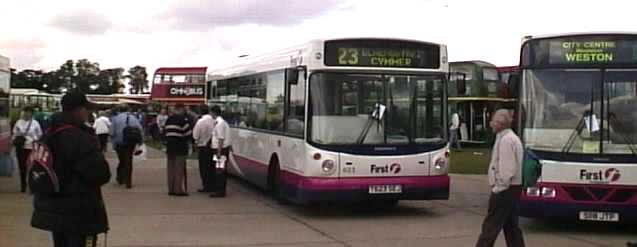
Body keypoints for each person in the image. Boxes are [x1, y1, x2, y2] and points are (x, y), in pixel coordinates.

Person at [31, 92, 111, 247]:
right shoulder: (81, 138)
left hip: (54, 210)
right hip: (80, 211)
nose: (88, 113)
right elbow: (99, 174)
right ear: (78, 110)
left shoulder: (48, 134)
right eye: (86, 109)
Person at [476, 109, 525, 247]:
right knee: (511, 227)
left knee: (490, 226)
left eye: (493, 121)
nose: (490, 124)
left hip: (506, 189)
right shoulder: (507, 137)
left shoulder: (506, 140)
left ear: (500, 123)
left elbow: (507, 169)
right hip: (513, 188)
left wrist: (498, 188)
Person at [111, 105, 142, 189]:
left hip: (119, 143)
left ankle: (120, 178)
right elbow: (139, 129)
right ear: (128, 109)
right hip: (130, 142)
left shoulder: (115, 118)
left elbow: (112, 132)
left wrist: (113, 143)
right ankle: (128, 181)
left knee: (122, 160)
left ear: (119, 110)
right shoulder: (133, 118)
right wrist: (139, 142)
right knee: (129, 160)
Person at [12, 106, 43, 192]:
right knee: (22, 167)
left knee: (31, 167)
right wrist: (18, 135)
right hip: (21, 147)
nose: (26, 114)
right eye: (25, 112)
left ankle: (31, 184)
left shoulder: (35, 123)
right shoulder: (18, 122)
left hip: (31, 148)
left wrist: (33, 138)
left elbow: (40, 134)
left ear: (31, 113)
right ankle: (23, 184)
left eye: (28, 112)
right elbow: (14, 134)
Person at [164, 104, 192, 196]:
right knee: (179, 168)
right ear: (180, 109)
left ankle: (171, 189)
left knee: (170, 168)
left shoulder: (169, 119)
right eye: (184, 110)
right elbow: (188, 134)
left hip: (170, 146)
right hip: (180, 146)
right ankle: (178, 189)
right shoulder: (183, 120)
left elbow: (165, 132)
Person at [192, 105, 215, 193]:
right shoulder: (214, 120)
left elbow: (195, 135)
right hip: (214, 147)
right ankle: (214, 184)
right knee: (212, 166)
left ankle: (206, 185)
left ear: (200, 111)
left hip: (203, 147)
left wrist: (196, 142)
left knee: (204, 167)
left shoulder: (200, 121)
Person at [210, 105, 231, 198]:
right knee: (219, 169)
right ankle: (219, 189)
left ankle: (220, 191)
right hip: (221, 149)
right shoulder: (221, 122)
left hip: (220, 150)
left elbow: (221, 138)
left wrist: (218, 152)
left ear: (214, 113)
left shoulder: (219, 123)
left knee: (219, 170)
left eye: (211, 113)